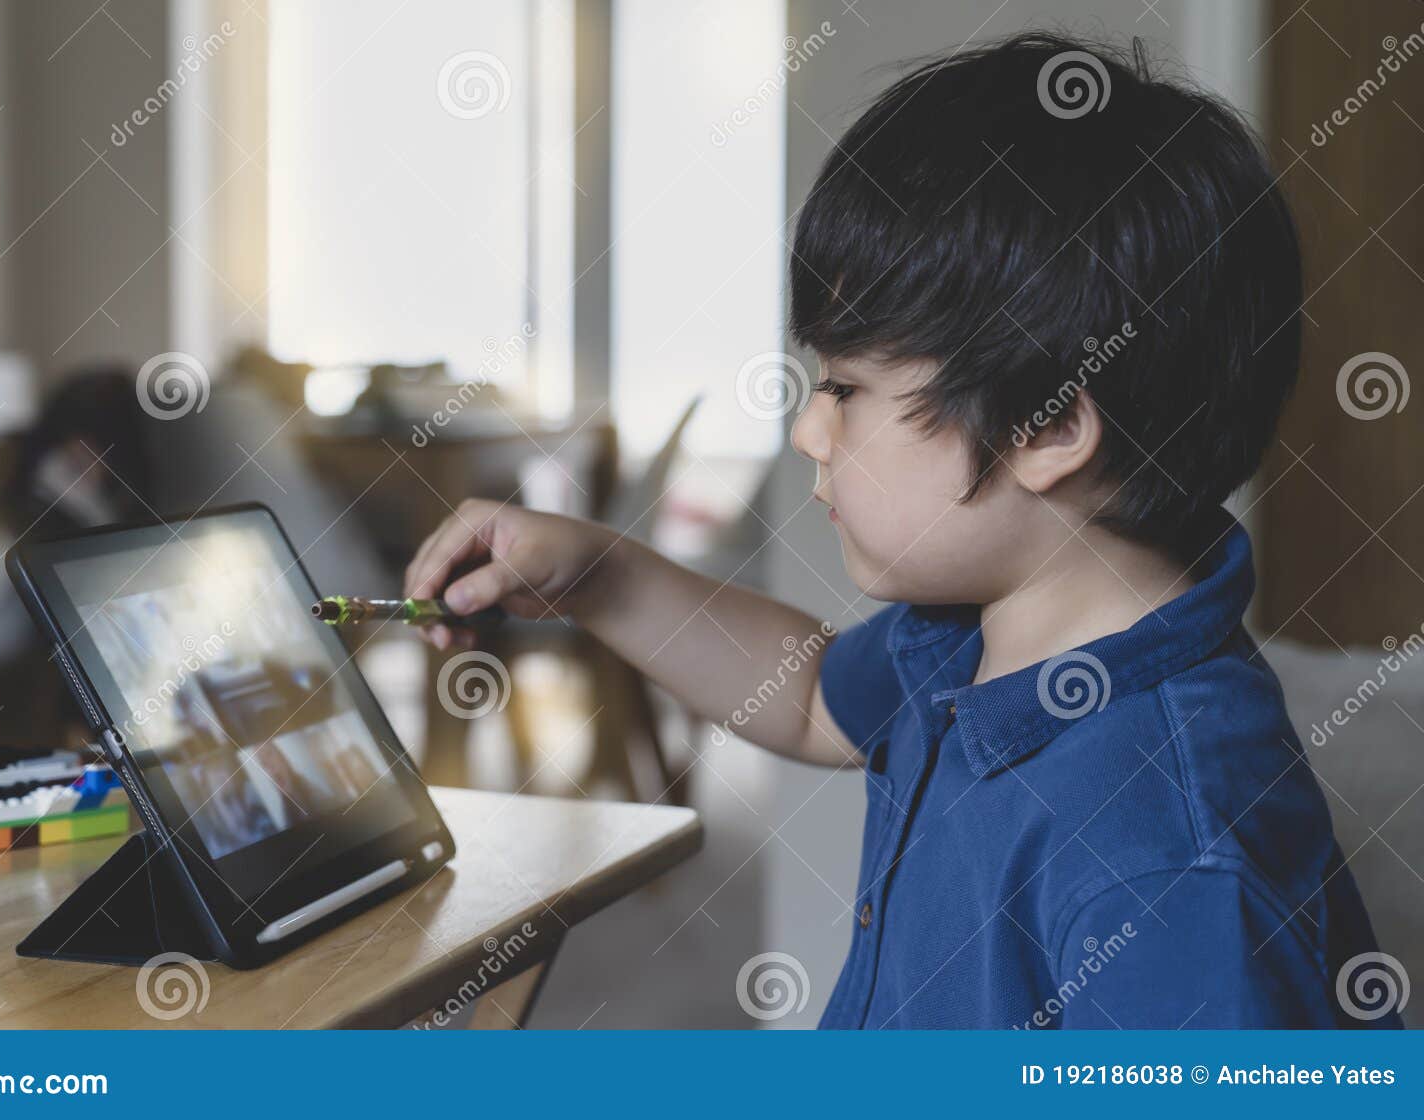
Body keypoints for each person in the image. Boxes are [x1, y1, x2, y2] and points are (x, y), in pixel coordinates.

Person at [401, 33, 1398, 1028]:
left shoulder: (1164, 861)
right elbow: (803, 697)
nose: (806, 431)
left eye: (844, 388)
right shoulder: (986, 629)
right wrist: (598, 579)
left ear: (1047, 426)